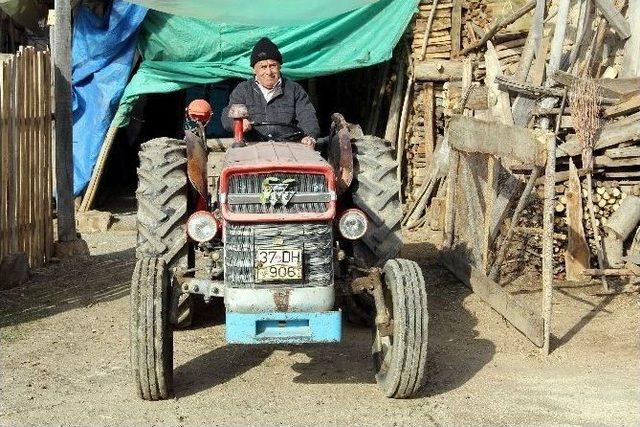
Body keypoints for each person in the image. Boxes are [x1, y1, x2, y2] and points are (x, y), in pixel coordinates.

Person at [221, 37, 320, 147]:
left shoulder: (294, 89)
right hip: (252, 147)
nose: (268, 72)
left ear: (279, 67)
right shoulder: (243, 89)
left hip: (288, 147)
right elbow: (227, 116)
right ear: (254, 69)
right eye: (263, 67)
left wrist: (309, 136)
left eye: (273, 66)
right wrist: (239, 122)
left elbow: (308, 117)